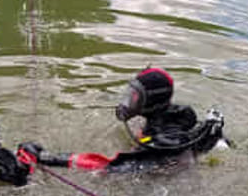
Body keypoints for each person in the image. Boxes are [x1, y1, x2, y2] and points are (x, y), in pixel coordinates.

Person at [15, 67, 226, 173]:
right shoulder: (167, 117)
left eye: (135, 98)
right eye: (130, 94)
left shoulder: (165, 139)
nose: (128, 102)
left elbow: (109, 166)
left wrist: (45, 158)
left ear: (151, 101)